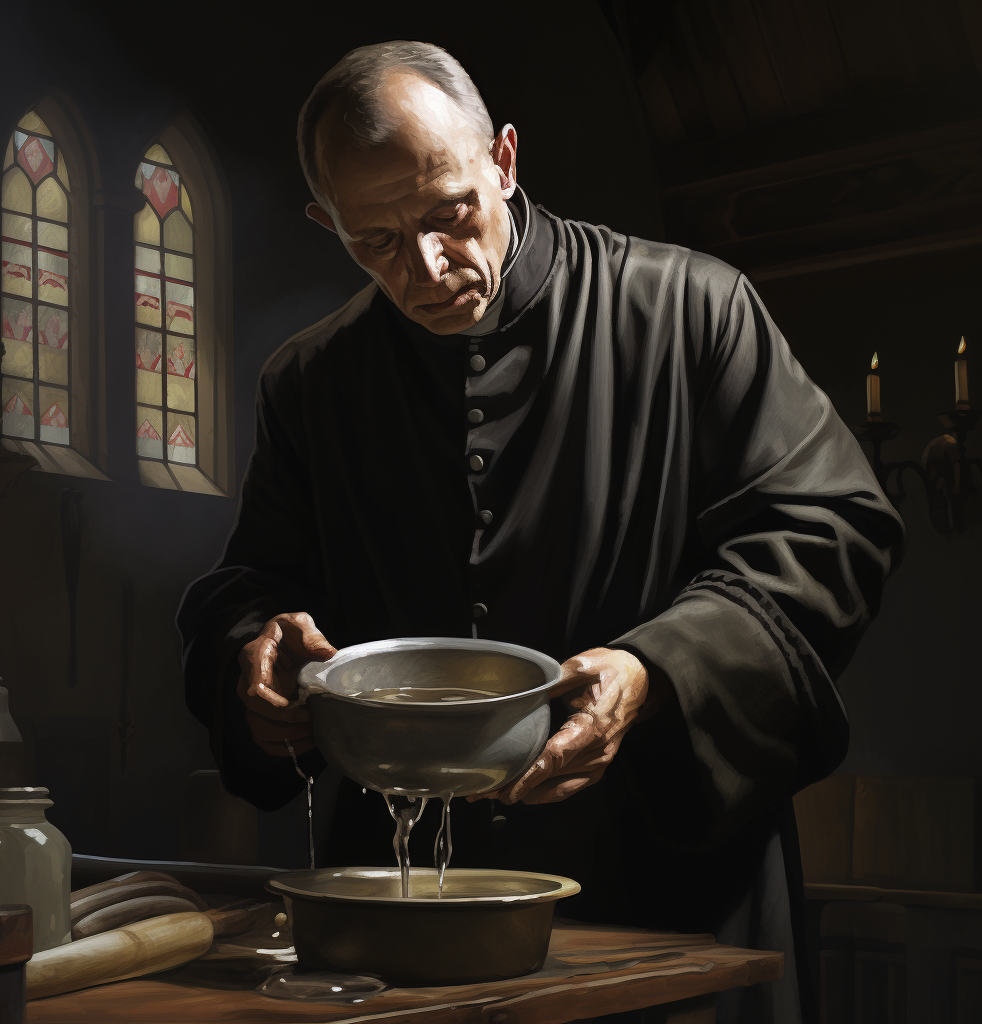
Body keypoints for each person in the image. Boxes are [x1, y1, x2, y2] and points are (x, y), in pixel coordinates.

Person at [177, 41, 905, 1023]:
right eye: (375, 242)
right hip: (408, 922)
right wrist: (252, 657)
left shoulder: (693, 309)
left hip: (668, 892)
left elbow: (833, 531)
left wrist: (653, 672)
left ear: (505, 163)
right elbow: (248, 587)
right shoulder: (310, 383)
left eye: (449, 216)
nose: (427, 269)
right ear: (328, 224)